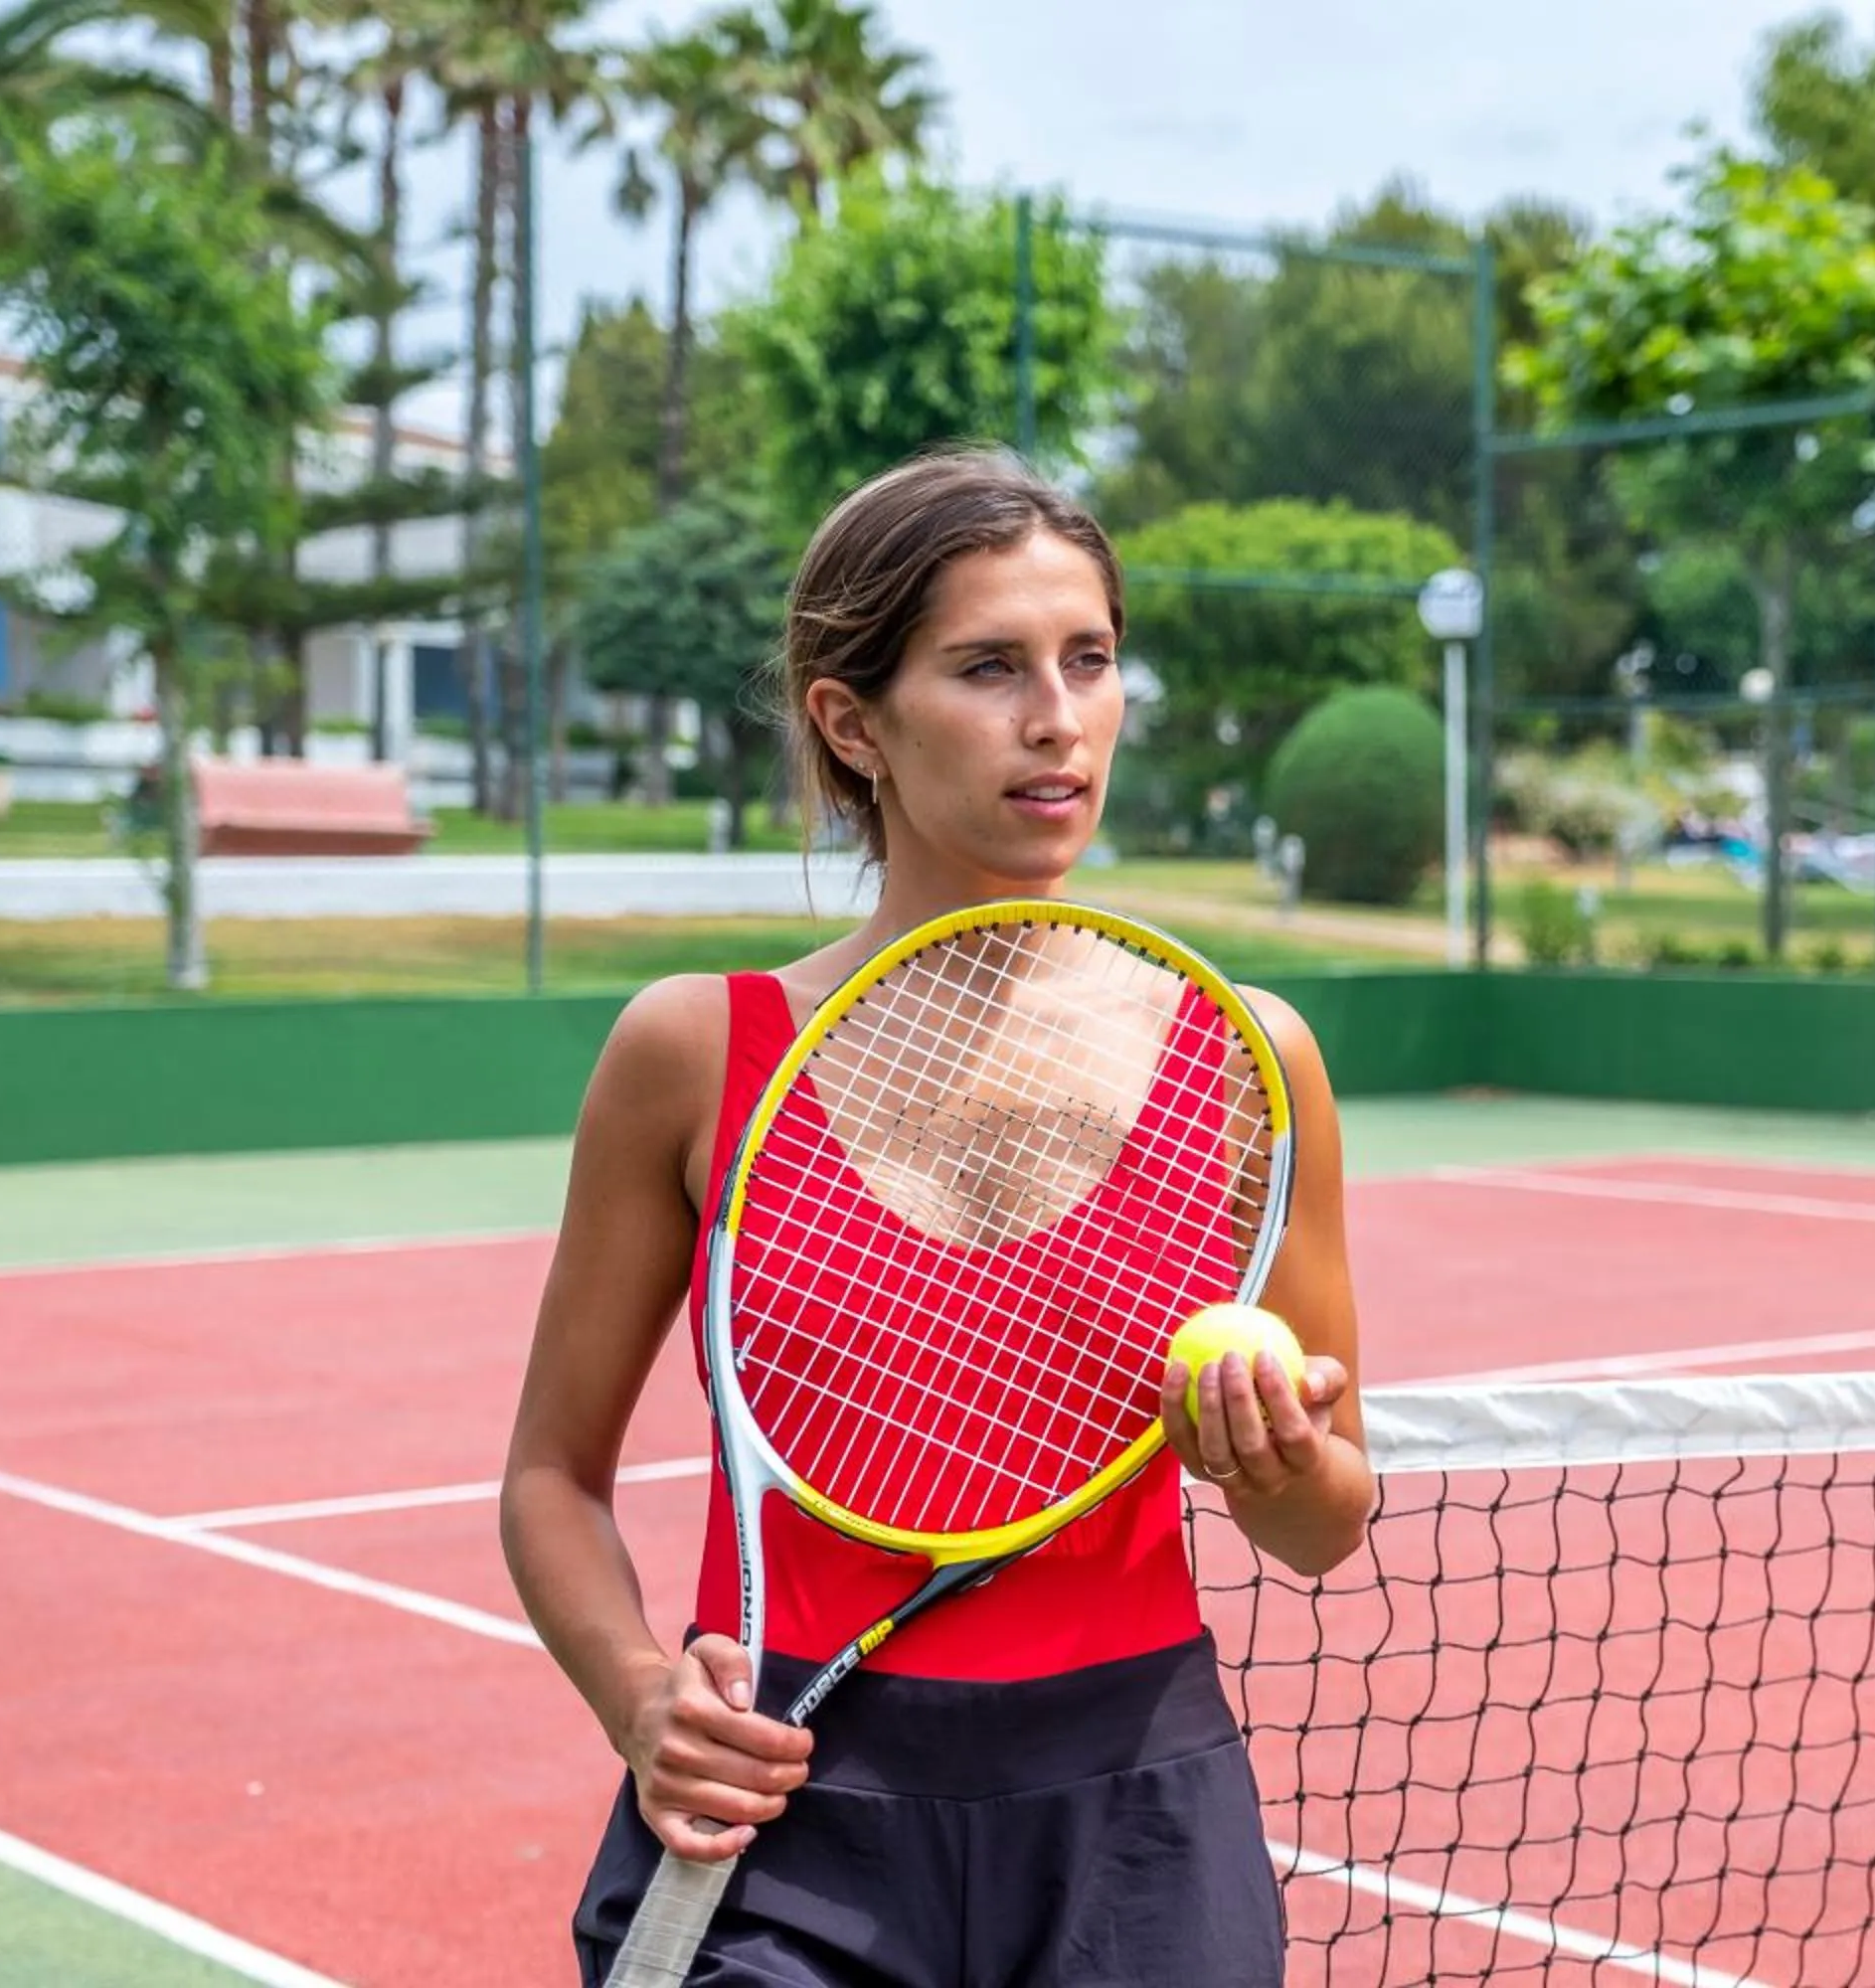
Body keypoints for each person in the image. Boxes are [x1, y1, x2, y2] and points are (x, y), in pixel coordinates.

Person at [499, 445, 1373, 1988]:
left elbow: (1322, 1530)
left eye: (1089, 660)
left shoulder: (1252, 1058)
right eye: (988, 667)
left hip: (1136, 1818)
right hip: (782, 1811)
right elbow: (551, 1477)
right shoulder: (695, 1051)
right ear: (855, 722)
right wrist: (643, 1699)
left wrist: (1279, 1457)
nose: (1059, 718)